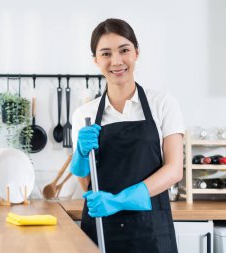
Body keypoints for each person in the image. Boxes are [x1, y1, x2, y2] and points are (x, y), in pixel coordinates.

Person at [70, 18, 184, 253]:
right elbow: (86, 183)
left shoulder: (162, 104)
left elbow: (174, 170)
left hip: (152, 229)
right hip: (102, 228)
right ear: (96, 60)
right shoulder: (84, 114)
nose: (116, 61)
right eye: (106, 54)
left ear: (136, 53)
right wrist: (81, 155)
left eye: (124, 50)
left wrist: (120, 200)